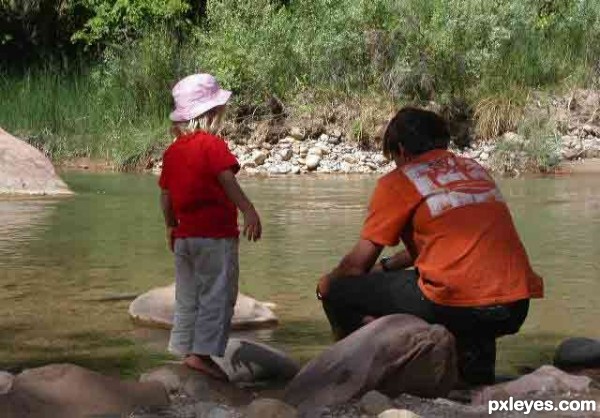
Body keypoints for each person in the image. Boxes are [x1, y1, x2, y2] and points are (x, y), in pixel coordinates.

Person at [317, 107, 543, 386]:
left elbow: (354, 266)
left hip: (458, 305)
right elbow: (440, 245)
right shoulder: (474, 169)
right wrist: (386, 267)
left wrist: (326, 284)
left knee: (336, 290)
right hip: (514, 304)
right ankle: (473, 377)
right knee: (473, 303)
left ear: (400, 149)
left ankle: (366, 371)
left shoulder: (400, 181)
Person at [159, 73, 262, 380]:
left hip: (184, 237)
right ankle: (201, 355)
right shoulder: (212, 145)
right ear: (212, 114)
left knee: (188, 295)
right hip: (215, 238)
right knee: (217, 295)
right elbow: (226, 179)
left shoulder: (172, 152)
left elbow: (165, 196)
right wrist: (249, 210)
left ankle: (184, 348)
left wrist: (170, 227)